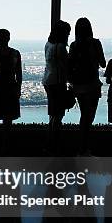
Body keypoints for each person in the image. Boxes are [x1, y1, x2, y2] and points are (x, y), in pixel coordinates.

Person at [68, 18, 106, 155]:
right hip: (93, 84)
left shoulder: (74, 45)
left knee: (84, 115)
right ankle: (84, 147)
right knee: (89, 116)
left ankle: (82, 147)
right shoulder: (95, 43)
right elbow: (103, 63)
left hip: (78, 85)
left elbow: (69, 64)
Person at [42, 21, 72, 154]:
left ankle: (50, 142)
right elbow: (67, 65)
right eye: (67, 32)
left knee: (53, 113)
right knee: (58, 114)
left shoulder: (48, 45)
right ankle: (53, 143)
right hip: (58, 83)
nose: (69, 34)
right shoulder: (60, 47)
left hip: (48, 81)